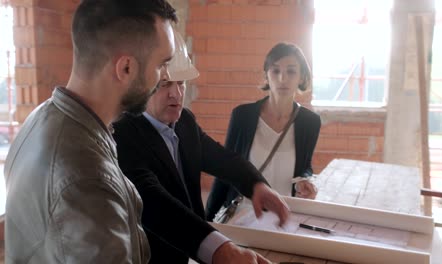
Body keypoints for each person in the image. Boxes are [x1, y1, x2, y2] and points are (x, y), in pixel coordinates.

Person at [4, 0, 177, 263]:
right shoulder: (87, 177)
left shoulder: (43, 116)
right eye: (161, 65)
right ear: (126, 68)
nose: (164, 77)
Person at [112, 31, 289, 264]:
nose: (176, 94)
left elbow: (222, 158)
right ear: (142, 85)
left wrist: (256, 185)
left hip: (190, 252)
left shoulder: (184, 120)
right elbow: (154, 202)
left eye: (182, 83)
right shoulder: (123, 133)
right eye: (164, 84)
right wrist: (220, 249)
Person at [206, 42, 321, 222]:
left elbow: (305, 166)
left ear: (301, 77)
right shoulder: (242, 116)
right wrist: (207, 220)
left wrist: (306, 180)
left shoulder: (310, 122)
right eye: (275, 71)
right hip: (243, 216)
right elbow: (225, 170)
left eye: (291, 71)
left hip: (283, 217)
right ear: (266, 75)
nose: (282, 78)